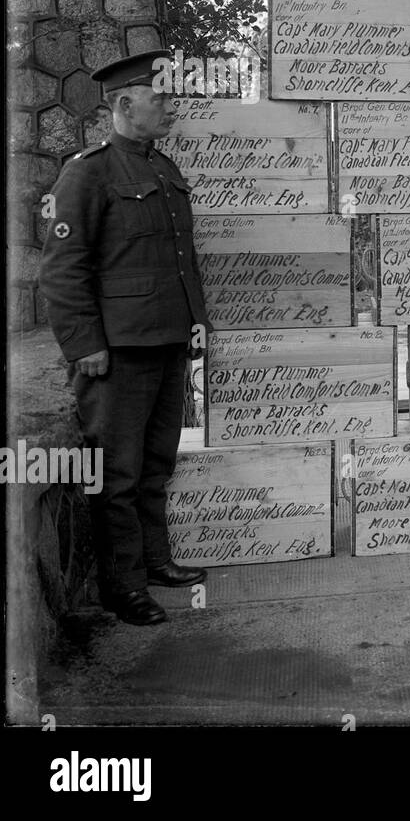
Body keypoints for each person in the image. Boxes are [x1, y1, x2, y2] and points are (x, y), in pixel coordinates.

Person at [38, 50, 211, 625]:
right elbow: (62, 269)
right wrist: (84, 344)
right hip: (115, 352)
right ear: (123, 104)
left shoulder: (163, 169)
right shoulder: (86, 172)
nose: (169, 107)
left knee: (157, 463)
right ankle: (122, 585)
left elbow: (179, 262)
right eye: (159, 98)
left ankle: (156, 562)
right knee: (116, 472)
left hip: (165, 341)